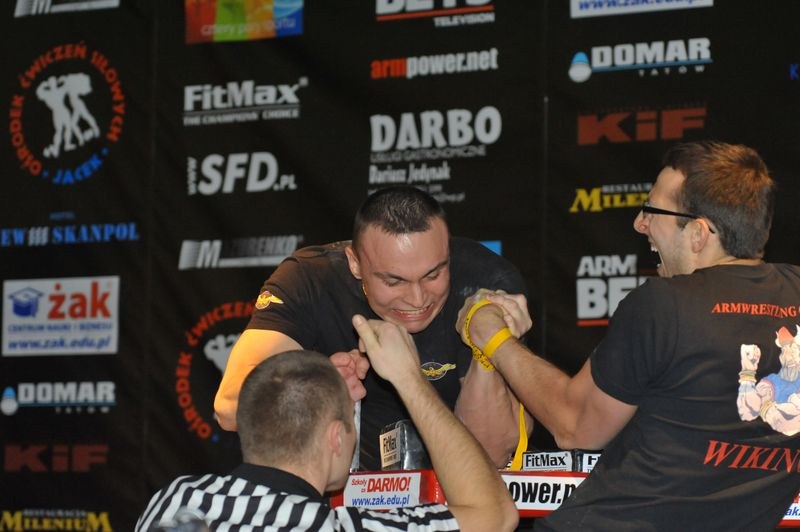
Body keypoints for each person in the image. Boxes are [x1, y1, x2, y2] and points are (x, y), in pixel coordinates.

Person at [458, 141, 800, 530]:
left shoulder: (666, 303)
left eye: (653, 211)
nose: (640, 223)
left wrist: (493, 337)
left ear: (699, 233)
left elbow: (575, 426)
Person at [215, 185, 531, 470]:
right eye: (394, 281)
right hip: (346, 497)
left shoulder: (486, 282)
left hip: (459, 493)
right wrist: (322, 386)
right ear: (355, 263)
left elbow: (492, 455)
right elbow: (229, 408)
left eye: (433, 275)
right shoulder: (309, 280)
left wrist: (484, 353)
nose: (417, 298)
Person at [136, 315, 519, 531]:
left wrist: (320, 385)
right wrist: (409, 379)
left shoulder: (176, 499)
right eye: (351, 423)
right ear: (336, 438)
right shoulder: (331, 527)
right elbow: (496, 515)